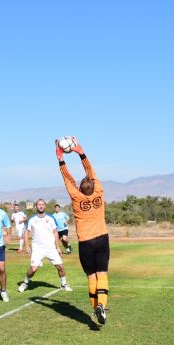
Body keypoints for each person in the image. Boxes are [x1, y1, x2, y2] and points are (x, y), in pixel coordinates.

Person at [55, 137, 110, 325]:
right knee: (102, 274)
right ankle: (102, 305)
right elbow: (90, 171)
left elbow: (67, 179)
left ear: (79, 188)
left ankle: (96, 309)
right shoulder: (99, 191)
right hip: (102, 238)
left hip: (86, 242)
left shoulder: (76, 197)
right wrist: (81, 152)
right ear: (94, 185)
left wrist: (60, 158)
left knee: (91, 276)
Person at [18, 199, 72, 293]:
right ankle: (25, 282)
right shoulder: (32, 219)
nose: (41, 206)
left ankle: (63, 285)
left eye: (42, 204)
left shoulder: (51, 218)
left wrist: (58, 247)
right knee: (33, 269)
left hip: (50, 248)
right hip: (37, 249)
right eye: (39, 204)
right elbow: (26, 233)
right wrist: (27, 246)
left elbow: (55, 232)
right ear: (36, 206)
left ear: (45, 206)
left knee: (60, 267)